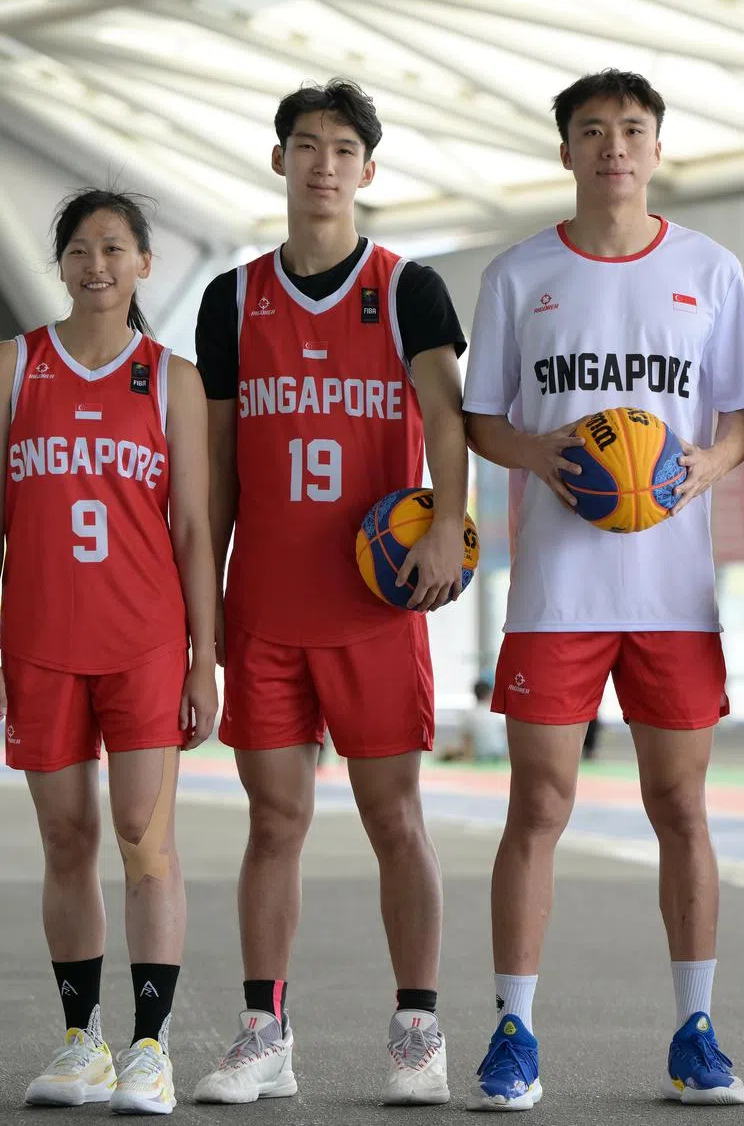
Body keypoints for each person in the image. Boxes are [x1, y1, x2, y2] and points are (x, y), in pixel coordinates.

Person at [463, 68, 744, 1110]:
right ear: (567, 151)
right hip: (555, 592)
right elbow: (482, 421)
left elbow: (741, 422)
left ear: (658, 147)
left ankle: (695, 1032)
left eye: (632, 129)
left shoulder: (711, 270)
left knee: (682, 805)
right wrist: (543, 456)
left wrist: (701, 471)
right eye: (592, 131)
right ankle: (514, 1031)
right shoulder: (518, 274)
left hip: (672, 595)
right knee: (536, 804)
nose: (613, 147)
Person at [191, 79, 469, 1106]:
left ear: (368, 169)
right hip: (265, 606)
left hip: (373, 607)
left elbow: (446, 422)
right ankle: (265, 1031)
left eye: (343, 147)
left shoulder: (408, 289)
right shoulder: (234, 298)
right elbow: (215, 467)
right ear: (280, 161)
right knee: (274, 822)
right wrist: (204, 613)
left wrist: (446, 523)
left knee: (396, 818)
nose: (322, 163)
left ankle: (418, 1032)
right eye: (305, 145)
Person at [3, 189, 217, 1114]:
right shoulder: (14, 368)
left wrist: (203, 658)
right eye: (82, 249)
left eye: (116, 248)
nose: (98, 264)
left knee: (146, 843)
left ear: (143, 265)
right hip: (42, 645)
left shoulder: (172, 378)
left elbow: (198, 531)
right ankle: (81, 1041)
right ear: (60, 264)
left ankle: (148, 1048)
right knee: (65, 840)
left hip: (142, 645)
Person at [442, 681, 508, 762]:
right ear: (490, 694)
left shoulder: (469, 714)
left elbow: (466, 740)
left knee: (450, 751)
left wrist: (467, 758)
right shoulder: (498, 714)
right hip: (499, 754)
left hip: (478, 756)